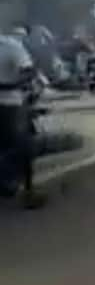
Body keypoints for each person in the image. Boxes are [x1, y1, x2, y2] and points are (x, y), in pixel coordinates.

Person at [0, 33, 41, 206]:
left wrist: (8, 85)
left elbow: (29, 71)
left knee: (22, 144)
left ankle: (30, 190)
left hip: (10, 103)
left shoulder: (10, 46)